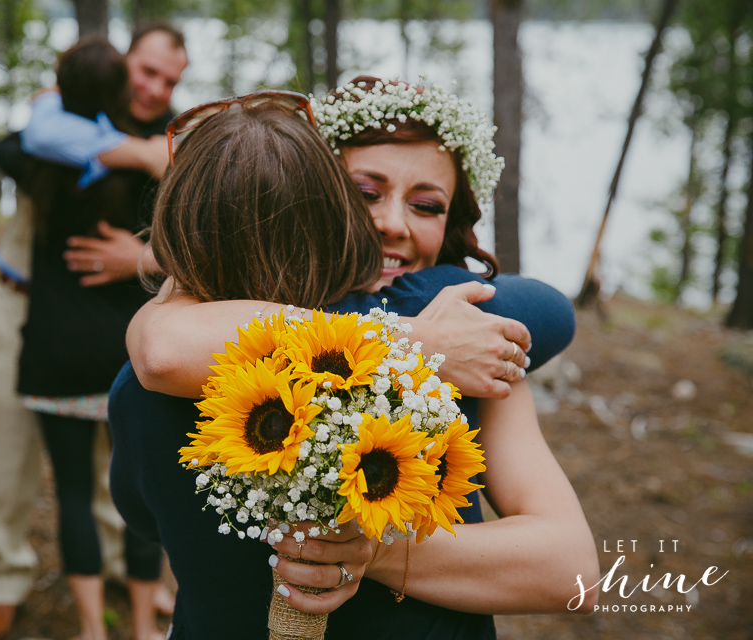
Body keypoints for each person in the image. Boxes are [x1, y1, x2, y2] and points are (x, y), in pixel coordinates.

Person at [109, 85, 597, 639]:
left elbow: (570, 568)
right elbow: (164, 349)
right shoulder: (447, 339)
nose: (392, 224)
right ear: (316, 203)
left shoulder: (470, 341)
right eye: (366, 193)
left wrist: (373, 550)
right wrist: (414, 338)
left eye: (427, 204)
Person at [0, 23, 186, 640]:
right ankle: (2, 581)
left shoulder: (168, 133)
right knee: (10, 450)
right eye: (145, 71)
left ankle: (123, 573)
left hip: (105, 319)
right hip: (26, 305)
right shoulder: (67, 117)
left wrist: (139, 257)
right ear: (122, 64)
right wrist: (132, 151)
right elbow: (17, 145)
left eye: (169, 80)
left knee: (112, 470)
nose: (154, 88)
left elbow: (195, 238)